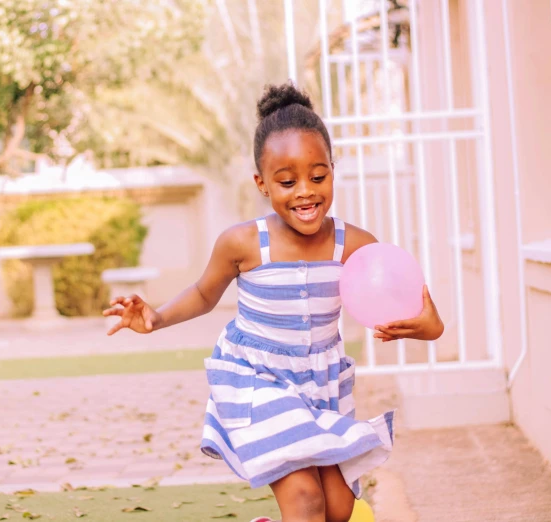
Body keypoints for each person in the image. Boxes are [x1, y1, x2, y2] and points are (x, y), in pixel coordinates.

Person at [104, 83, 444, 522]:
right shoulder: (243, 243)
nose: (305, 191)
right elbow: (206, 294)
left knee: (339, 508)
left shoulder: (355, 245)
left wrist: (427, 324)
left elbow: (413, 312)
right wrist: (155, 318)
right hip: (257, 379)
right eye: (287, 181)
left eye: (318, 177)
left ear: (333, 172)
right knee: (305, 499)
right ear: (262, 183)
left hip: (321, 383)